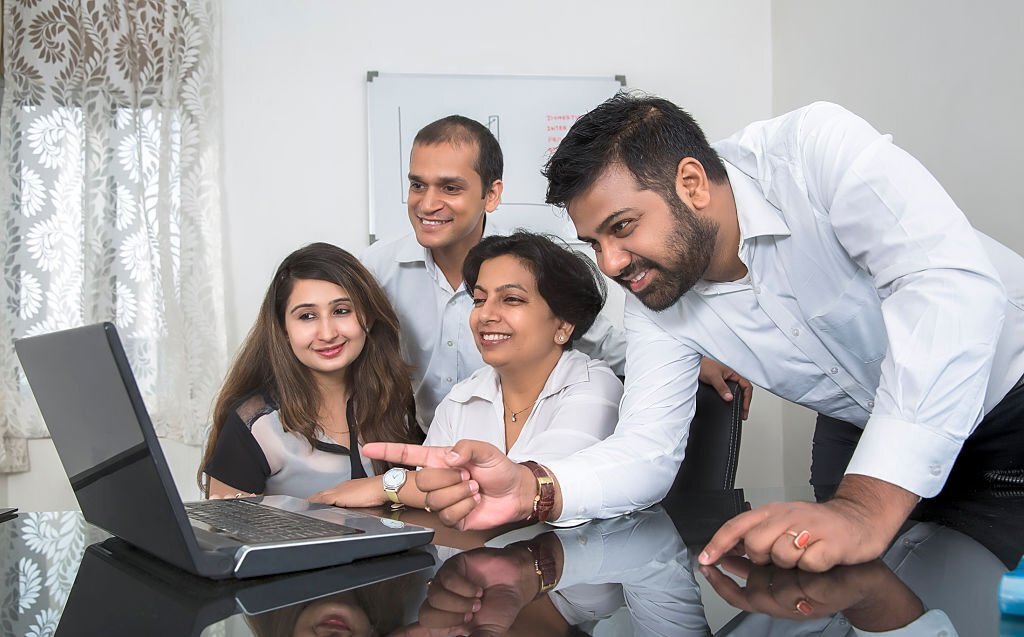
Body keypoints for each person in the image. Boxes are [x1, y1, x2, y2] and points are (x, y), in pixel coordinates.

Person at [363, 94, 1024, 572]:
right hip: (859, 422)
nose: (611, 265)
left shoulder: (816, 152)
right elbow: (648, 450)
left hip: (1010, 404)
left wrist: (866, 502)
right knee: (862, 597)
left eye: (622, 227)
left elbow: (949, 291)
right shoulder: (657, 295)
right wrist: (537, 485)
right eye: (595, 242)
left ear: (691, 183)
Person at [361, 115, 751, 433]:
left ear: (491, 194)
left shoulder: (531, 263)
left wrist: (692, 361)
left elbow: (599, 341)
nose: (428, 203)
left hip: (517, 445)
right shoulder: (376, 269)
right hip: (421, 445)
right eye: (417, 185)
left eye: (450, 187)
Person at [310, 232, 623, 509]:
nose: (485, 315)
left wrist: (386, 486)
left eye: (511, 299)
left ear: (564, 325)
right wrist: (414, 488)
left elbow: (524, 494)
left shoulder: (594, 387)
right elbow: (433, 493)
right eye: (479, 299)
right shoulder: (462, 397)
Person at [197, 242, 419, 499]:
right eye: (307, 316)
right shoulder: (254, 424)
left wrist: (385, 489)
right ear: (283, 329)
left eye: (341, 311)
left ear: (367, 318)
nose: (327, 334)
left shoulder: (395, 399)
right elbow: (224, 535)